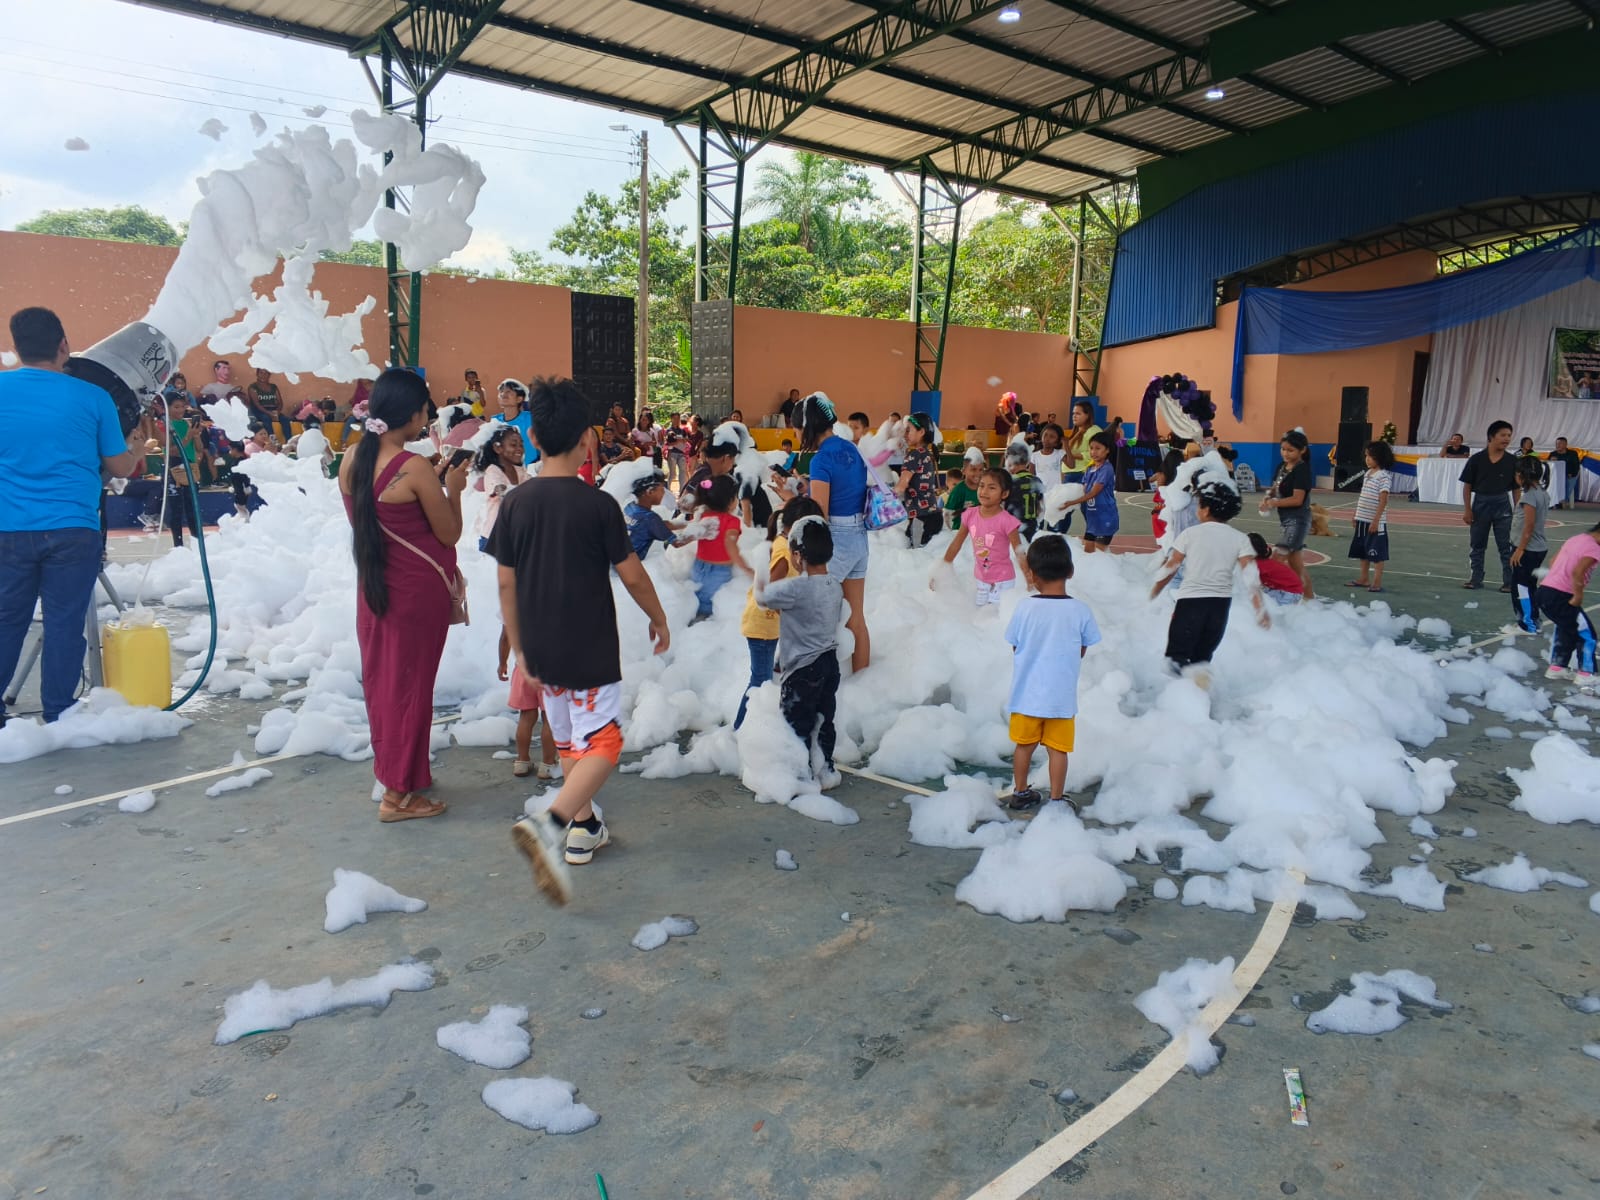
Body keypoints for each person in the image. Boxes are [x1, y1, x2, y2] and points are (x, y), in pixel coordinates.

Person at [501, 377, 671, 905]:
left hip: (541, 650)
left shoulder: (516, 503)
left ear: (535, 438)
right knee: (604, 743)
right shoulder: (598, 506)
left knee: (574, 742)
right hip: (589, 648)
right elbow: (633, 574)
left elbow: (506, 583)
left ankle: (584, 827)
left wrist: (519, 647)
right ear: (586, 441)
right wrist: (659, 617)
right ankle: (551, 823)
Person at [0, 307, 144, 726]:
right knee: (64, 622)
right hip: (73, 529)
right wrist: (136, 447)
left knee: (7, 621)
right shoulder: (93, 397)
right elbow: (118, 467)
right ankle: (58, 712)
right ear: (63, 345)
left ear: (16, 348)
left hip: (9, 530)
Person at [338, 367, 468, 822]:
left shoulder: (352, 458)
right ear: (411, 415)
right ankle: (398, 796)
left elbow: (370, 520)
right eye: (425, 411)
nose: (426, 418)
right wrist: (453, 490)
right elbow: (448, 533)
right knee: (412, 688)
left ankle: (397, 774)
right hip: (414, 595)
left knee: (385, 684)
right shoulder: (413, 467)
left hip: (374, 590)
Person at [1001, 534, 1100, 812]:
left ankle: (1020, 793)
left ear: (1032, 575)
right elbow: (1082, 649)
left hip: (1026, 696)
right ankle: (1056, 799)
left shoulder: (1025, 607)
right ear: (1070, 571)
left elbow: (1015, 645)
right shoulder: (1080, 610)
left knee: (1024, 746)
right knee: (1058, 749)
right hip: (1060, 699)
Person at [755, 514, 845, 790]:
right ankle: (826, 769)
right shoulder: (835, 585)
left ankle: (800, 778)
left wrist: (760, 563)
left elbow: (762, 597)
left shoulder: (796, 588)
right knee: (824, 719)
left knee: (796, 724)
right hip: (829, 663)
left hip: (802, 670)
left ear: (797, 556)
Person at [1151, 478, 1269, 679]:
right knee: (1202, 659)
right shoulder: (1240, 538)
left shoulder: (1189, 534)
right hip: (1220, 606)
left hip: (1190, 603)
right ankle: (1200, 687)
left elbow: (1171, 566)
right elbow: (1251, 576)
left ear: (1205, 510)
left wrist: (1154, 590)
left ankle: (1180, 691)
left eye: (1199, 505)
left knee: (1175, 660)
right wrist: (1260, 609)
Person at [797, 392, 871, 672]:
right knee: (856, 618)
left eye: (796, 427)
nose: (796, 433)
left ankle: (813, 681)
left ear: (807, 426)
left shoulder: (820, 460)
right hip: (859, 536)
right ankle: (864, 679)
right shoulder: (850, 447)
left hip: (836, 539)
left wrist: (792, 504)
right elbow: (846, 489)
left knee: (813, 615)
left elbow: (820, 514)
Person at [736, 496, 820, 730]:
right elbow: (770, 593)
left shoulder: (785, 544)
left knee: (763, 677)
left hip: (768, 624)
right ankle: (741, 729)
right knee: (760, 682)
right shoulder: (784, 552)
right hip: (762, 625)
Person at [942, 467, 1032, 607]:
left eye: (992, 488)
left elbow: (1019, 552)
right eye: (981, 486)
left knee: (996, 614)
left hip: (1003, 580)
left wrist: (1030, 580)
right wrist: (941, 570)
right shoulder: (970, 515)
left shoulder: (1007, 521)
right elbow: (956, 544)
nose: (984, 492)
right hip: (981, 579)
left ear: (1004, 493)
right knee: (981, 614)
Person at [1534, 517, 1599, 686]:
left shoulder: (1576, 539)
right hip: (1561, 595)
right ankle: (1586, 673)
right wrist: (1578, 595)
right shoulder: (1594, 548)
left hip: (1544, 592)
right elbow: (1578, 572)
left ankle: (1558, 667)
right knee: (1587, 634)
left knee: (1567, 629)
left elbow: (1553, 561)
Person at [1459, 420, 1519, 592]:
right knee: (1477, 545)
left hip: (1503, 505)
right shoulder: (1476, 459)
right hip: (1480, 505)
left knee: (1506, 546)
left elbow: (1516, 488)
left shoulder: (1513, 461)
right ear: (1491, 437)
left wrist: (1517, 510)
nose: (1506, 439)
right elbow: (1467, 486)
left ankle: (1509, 582)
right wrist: (1467, 510)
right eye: (1502, 435)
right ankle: (1476, 578)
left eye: (1509, 435)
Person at [1261, 429, 1315, 599]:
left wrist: (1275, 503)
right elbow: (1275, 487)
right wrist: (1267, 498)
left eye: (1290, 450)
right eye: (1283, 449)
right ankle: (1309, 599)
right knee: (1296, 565)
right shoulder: (1281, 467)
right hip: (1286, 521)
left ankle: (1269, 596)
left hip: (1297, 521)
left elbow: (1298, 499)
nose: (1285, 453)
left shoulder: (1302, 470)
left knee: (1276, 559)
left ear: (1302, 450)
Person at [499, 628, 558, 781]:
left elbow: (505, 636)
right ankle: (548, 765)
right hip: (551, 669)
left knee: (526, 716)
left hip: (524, 669)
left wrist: (502, 663)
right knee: (549, 718)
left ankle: (522, 762)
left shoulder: (515, 611)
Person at [689, 475, 746, 622]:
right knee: (711, 606)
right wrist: (744, 565)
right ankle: (700, 628)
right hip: (719, 571)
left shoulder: (703, 516)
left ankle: (689, 620)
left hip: (698, 566)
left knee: (695, 599)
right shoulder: (732, 521)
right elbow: (730, 542)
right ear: (730, 500)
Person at [1346, 441, 1394, 592]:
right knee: (1363, 551)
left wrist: (1376, 521)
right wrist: (1356, 515)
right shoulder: (1367, 474)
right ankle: (1364, 578)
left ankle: (1377, 582)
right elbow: (1363, 497)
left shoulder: (1384, 476)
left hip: (1375, 523)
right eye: (1366, 455)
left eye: (1371, 456)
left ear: (1380, 457)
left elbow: (1383, 500)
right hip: (1362, 520)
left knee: (1377, 553)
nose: (1367, 459)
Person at [1509, 458, 1550, 634]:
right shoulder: (1542, 492)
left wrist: (1520, 549)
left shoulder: (1529, 496)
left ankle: (1527, 624)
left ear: (1521, 475)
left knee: (1520, 587)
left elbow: (1529, 525)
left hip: (1528, 549)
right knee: (1530, 585)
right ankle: (1533, 618)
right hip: (1537, 547)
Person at [473, 425, 526, 553]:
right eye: (513, 445)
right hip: (494, 536)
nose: (519, 448)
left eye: (521, 445)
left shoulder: (520, 471)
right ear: (498, 448)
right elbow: (501, 490)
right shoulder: (493, 471)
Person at [1064, 432, 1118, 552]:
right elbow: (1083, 490)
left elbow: (1093, 493)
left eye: (1098, 448)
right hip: (1093, 518)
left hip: (1105, 517)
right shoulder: (1089, 469)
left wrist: (1071, 503)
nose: (1093, 452)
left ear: (1107, 450)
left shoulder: (1106, 469)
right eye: (1091, 448)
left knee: (1099, 554)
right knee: (1088, 553)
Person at [895, 413, 943, 547]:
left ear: (921, 432)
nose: (905, 434)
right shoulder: (926, 453)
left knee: (916, 555)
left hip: (920, 520)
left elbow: (901, 486)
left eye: (908, 430)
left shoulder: (914, 455)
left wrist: (884, 498)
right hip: (933, 516)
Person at [624, 470, 685, 560]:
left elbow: (659, 526)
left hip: (616, 559)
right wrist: (699, 530)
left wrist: (688, 524)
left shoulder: (630, 507)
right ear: (650, 492)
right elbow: (677, 543)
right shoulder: (650, 518)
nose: (664, 493)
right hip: (632, 564)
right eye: (662, 489)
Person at [1001, 442, 1044, 541]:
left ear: (1009, 459)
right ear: (1027, 460)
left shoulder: (1008, 482)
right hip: (1033, 531)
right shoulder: (1037, 481)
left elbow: (1000, 508)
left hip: (1012, 533)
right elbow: (1041, 509)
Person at [1249, 532, 1305, 604]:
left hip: (1289, 593)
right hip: (1293, 591)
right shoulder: (1263, 562)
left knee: (1252, 600)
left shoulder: (1257, 565)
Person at [491, 378, 538, 462]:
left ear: (519, 399)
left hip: (529, 467)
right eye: (501, 391)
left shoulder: (530, 418)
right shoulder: (495, 420)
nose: (503, 394)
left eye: (508, 392)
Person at [247, 367, 291, 441]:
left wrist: (277, 412)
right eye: (261, 373)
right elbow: (257, 404)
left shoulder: (273, 387)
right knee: (266, 419)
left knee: (285, 420)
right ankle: (273, 441)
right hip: (259, 411)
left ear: (269, 374)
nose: (263, 375)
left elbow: (280, 402)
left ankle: (289, 441)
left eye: (266, 373)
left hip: (272, 410)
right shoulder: (253, 387)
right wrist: (269, 413)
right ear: (257, 374)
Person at [944, 447, 984, 529]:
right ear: (964, 471)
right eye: (973, 469)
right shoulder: (959, 490)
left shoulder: (984, 488)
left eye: (981, 470)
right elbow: (948, 513)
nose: (978, 473)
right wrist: (950, 532)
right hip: (960, 531)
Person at [1548, 436, 1581, 509]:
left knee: (1567, 482)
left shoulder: (1572, 454)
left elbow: (1576, 466)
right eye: (1556, 444)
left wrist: (1572, 473)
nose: (1558, 445)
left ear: (1565, 445)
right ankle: (1552, 501)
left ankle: (1562, 501)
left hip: (1570, 474)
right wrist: (1551, 461)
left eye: (1560, 444)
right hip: (1556, 476)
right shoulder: (1553, 454)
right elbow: (1548, 466)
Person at [1031, 422, 1066, 488]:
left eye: (1052, 437)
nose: (1047, 439)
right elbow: (1031, 475)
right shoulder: (1034, 455)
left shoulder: (1060, 453)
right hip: (1041, 491)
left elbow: (1071, 465)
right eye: (1045, 435)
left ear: (1057, 442)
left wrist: (1066, 444)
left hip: (1056, 491)